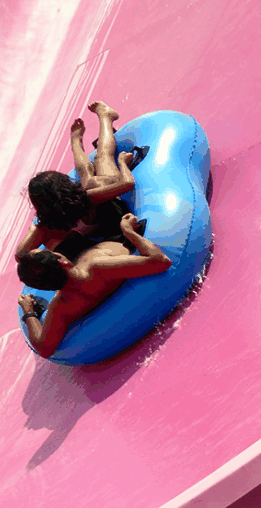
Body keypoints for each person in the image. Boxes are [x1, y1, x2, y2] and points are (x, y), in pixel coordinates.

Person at [16, 212, 171, 359]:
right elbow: (162, 262)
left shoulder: (61, 307)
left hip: (80, 273)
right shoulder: (97, 268)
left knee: (51, 238)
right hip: (116, 244)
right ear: (62, 261)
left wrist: (29, 312)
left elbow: (44, 348)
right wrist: (128, 231)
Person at [16, 101, 146, 261]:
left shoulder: (46, 226)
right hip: (110, 213)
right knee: (102, 159)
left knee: (88, 178)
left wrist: (34, 232)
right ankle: (105, 117)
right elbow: (127, 184)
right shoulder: (88, 198)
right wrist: (122, 163)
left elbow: (19, 255)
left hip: (95, 236)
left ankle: (76, 142)